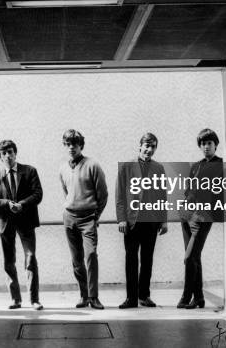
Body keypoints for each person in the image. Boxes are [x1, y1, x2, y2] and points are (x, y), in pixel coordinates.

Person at [0, 140, 44, 310]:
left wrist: (23, 204)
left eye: (10, 152)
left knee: (31, 257)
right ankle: (15, 299)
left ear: (15, 153)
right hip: (5, 223)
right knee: (9, 260)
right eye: (4, 153)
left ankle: (34, 299)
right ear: (0, 157)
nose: (8, 156)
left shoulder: (29, 171)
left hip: (26, 221)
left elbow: (38, 194)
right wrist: (7, 203)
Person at [116, 133, 168, 309]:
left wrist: (163, 221)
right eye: (147, 145)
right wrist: (121, 219)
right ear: (140, 146)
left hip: (151, 221)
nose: (149, 149)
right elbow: (120, 196)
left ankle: (144, 296)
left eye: (153, 146)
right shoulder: (126, 167)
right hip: (132, 221)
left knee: (147, 259)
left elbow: (162, 195)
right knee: (131, 259)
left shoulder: (159, 168)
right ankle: (131, 298)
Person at [59, 129, 108, 309]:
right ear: (64, 146)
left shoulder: (92, 165)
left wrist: (96, 217)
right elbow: (67, 193)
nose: (71, 147)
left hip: (88, 219)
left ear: (81, 145)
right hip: (69, 218)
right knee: (76, 260)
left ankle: (94, 297)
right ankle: (84, 295)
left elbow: (103, 194)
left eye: (75, 144)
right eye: (68, 144)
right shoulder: (63, 168)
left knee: (91, 255)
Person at [178, 128, 223, 309]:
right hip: (187, 216)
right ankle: (200, 298)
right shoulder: (195, 166)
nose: (206, 147)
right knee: (195, 258)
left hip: (203, 217)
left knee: (189, 258)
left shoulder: (220, 165)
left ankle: (187, 296)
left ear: (215, 145)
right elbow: (188, 191)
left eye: (209, 143)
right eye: (203, 144)